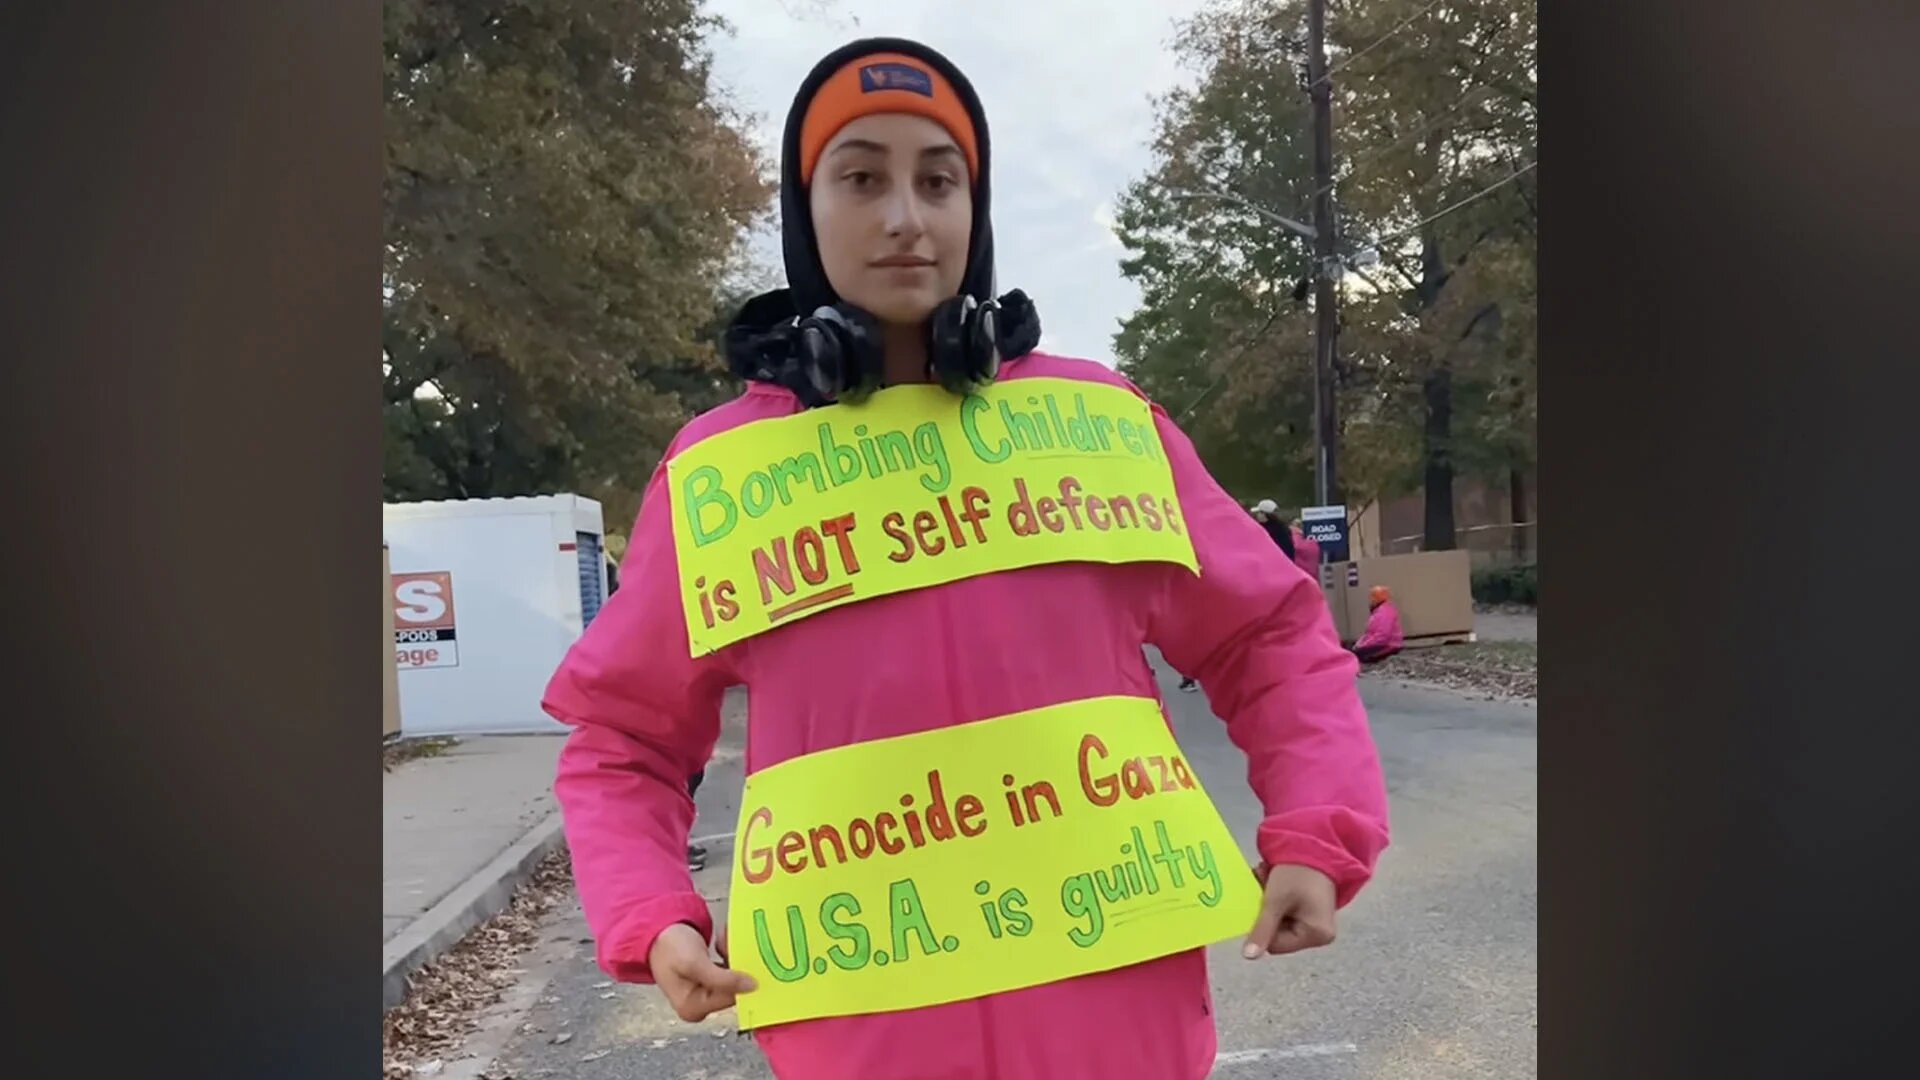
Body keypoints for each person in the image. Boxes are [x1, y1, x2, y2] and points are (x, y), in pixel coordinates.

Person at [541, 37, 1387, 1080]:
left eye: (939, 180)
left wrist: (1316, 831)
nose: (906, 216)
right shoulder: (721, 478)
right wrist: (651, 913)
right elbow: (623, 738)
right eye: (860, 177)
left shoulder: (1103, 429)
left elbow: (1270, 638)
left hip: (1121, 1031)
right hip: (859, 1033)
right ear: (804, 212)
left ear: (975, 209)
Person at [1351, 585, 1405, 664]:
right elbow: (1369, 633)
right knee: (1355, 653)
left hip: (1388, 645)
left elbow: (1382, 636)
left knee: (1358, 655)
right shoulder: (1380, 610)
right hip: (1381, 643)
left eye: (1372, 596)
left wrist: (1363, 645)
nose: (1370, 599)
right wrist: (1359, 644)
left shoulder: (1384, 612)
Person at [1290, 516, 1321, 580]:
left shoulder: (1296, 543)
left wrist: (1294, 533)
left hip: (1299, 578)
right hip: (1312, 578)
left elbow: (1296, 545)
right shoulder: (1313, 544)